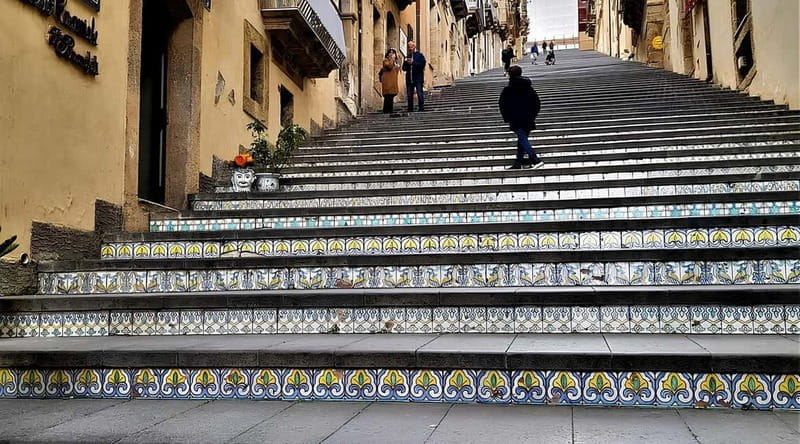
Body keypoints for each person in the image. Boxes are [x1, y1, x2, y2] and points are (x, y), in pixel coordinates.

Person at [498, 65, 544, 170]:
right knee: (521, 140)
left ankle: (535, 159)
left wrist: (507, 117)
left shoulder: (508, 90)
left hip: (516, 119)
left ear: (510, 75)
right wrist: (532, 115)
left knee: (522, 139)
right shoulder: (529, 88)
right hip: (528, 119)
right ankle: (518, 163)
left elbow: (502, 105)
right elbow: (537, 103)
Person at [402, 40, 426, 112]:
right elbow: (404, 68)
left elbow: (422, 66)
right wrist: (406, 63)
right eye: (409, 47)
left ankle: (421, 108)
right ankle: (410, 109)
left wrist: (413, 62)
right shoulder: (407, 56)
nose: (410, 48)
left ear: (414, 47)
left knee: (419, 93)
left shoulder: (420, 55)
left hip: (418, 78)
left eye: (411, 47)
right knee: (409, 94)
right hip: (409, 78)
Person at [379, 48, 400, 114]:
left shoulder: (395, 62)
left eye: (393, 53)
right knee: (388, 96)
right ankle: (386, 111)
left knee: (391, 96)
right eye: (390, 53)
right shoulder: (386, 60)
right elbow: (389, 66)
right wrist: (391, 58)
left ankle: (390, 110)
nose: (391, 54)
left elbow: (396, 70)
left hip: (393, 81)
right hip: (387, 81)